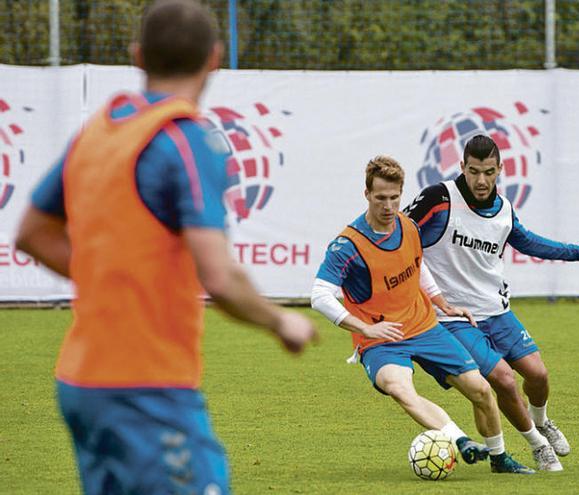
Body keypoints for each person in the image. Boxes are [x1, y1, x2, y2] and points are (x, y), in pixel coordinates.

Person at [14, 1, 317, 493]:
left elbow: (32, 233)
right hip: (146, 386)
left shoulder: (97, 132)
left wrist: (111, 274)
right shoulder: (186, 139)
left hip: (80, 381)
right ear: (215, 58)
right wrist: (281, 320)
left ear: (138, 56)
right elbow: (218, 276)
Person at [404, 134, 579, 471]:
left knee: (539, 375)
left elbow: (530, 243)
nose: (481, 180)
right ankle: (537, 444)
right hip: (454, 318)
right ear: (461, 166)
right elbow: (401, 235)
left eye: (489, 172)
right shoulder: (439, 198)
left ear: (500, 169)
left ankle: (542, 421)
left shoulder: (503, 209)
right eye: (473, 171)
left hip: (497, 311)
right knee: (503, 380)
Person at [310, 155, 534, 474]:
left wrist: (443, 304)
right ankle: (460, 440)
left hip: (424, 327)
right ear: (367, 195)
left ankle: (500, 459)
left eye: (394, 198)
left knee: (481, 390)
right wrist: (364, 328)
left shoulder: (408, 226)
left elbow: (418, 265)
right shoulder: (348, 245)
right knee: (401, 390)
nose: (388, 206)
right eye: (380, 198)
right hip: (381, 341)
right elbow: (319, 294)